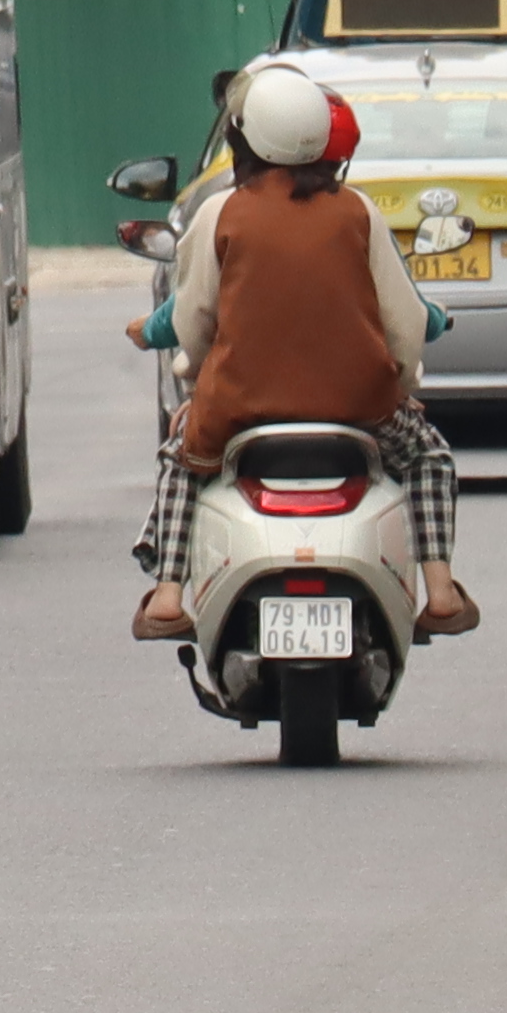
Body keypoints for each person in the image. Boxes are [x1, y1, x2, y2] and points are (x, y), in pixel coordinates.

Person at [129, 57, 475, 644]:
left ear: (242, 139)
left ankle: (166, 596)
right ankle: (440, 592)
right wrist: (400, 389)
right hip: (359, 409)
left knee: (181, 461)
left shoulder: (218, 213)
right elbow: (406, 324)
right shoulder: (358, 211)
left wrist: (202, 382)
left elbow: (192, 322)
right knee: (430, 458)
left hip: (239, 409)